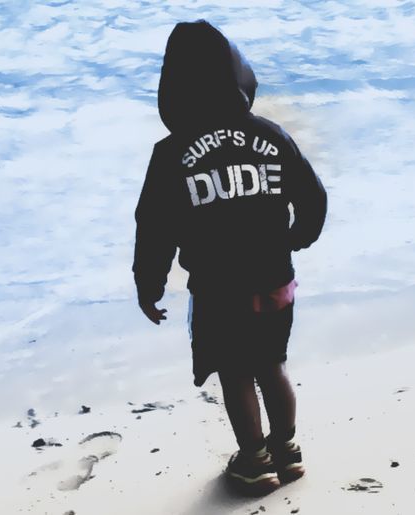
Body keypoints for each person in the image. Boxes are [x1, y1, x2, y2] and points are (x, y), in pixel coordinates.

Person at [132, 19, 327, 496]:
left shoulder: (171, 154)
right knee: (273, 364)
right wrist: (298, 236)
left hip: (222, 289)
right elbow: (313, 197)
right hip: (276, 279)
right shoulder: (272, 136)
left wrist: (149, 284)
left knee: (236, 370)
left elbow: (154, 227)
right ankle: (286, 450)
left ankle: (254, 461)